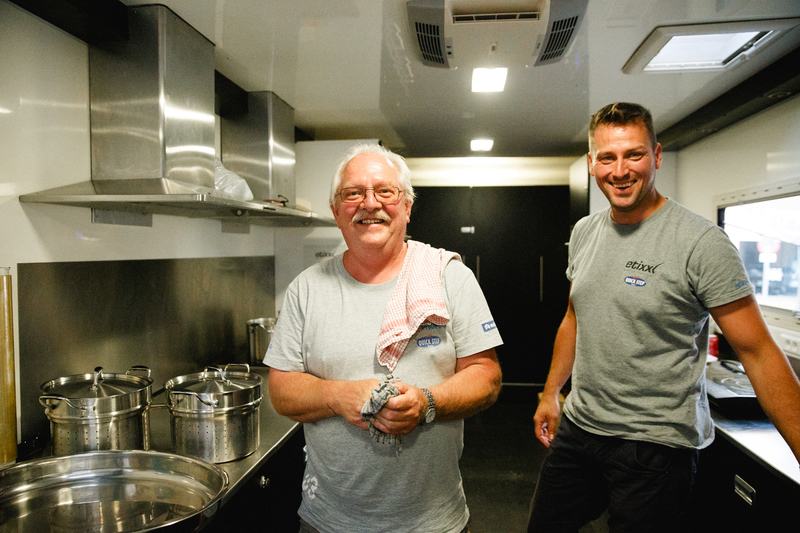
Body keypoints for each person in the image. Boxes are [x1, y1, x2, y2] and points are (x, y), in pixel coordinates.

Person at [527, 102, 800, 532]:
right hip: (582, 428)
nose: (620, 171)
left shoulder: (701, 243)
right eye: (607, 157)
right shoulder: (585, 231)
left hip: (656, 445)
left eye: (633, 154)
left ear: (656, 156)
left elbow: (760, 353)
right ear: (592, 164)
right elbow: (575, 317)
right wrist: (550, 393)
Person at [264, 143, 503, 533]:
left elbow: (487, 377)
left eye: (385, 191)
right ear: (336, 211)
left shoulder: (449, 277)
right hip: (328, 521)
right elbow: (281, 390)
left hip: (433, 520)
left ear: (407, 207)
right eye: (353, 193)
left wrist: (428, 402)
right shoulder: (305, 290)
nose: (369, 203)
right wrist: (338, 396)